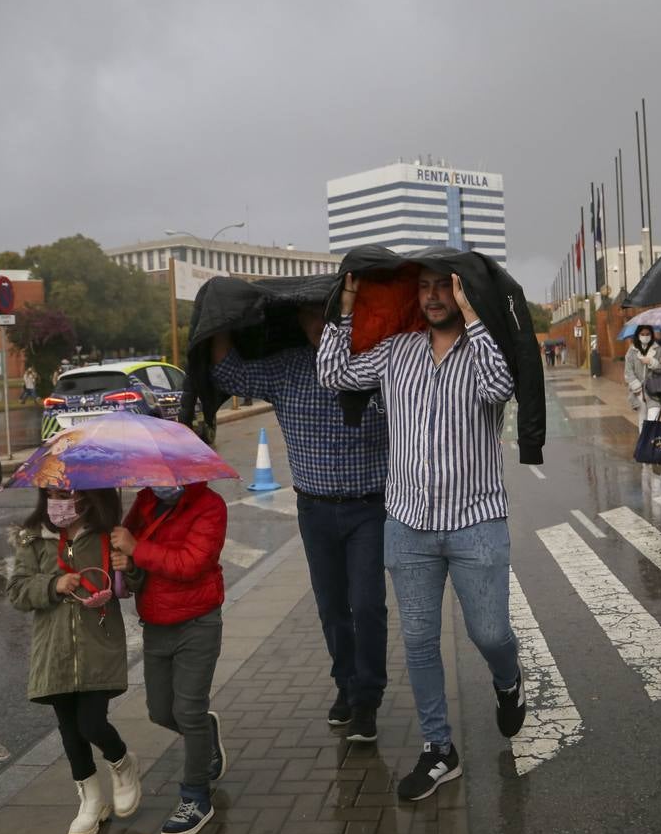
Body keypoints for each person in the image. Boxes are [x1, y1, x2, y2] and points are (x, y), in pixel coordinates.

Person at [318, 267, 526, 802]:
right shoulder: (396, 352)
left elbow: (502, 387)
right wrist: (345, 307)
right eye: (427, 287)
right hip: (408, 524)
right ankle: (439, 749)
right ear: (416, 295)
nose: (435, 296)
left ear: (460, 292)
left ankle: (507, 679)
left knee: (490, 635)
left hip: (476, 519)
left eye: (446, 286)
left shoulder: (482, 351)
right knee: (418, 642)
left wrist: (473, 311)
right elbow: (334, 374)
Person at [209, 304, 389, 743]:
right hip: (315, 510)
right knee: (332, 607)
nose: (319, 326)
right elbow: (228, 372)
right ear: (298, 323)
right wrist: (223, 313)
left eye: (328, 317)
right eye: (311, 318)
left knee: (366, 605)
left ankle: (368, 698)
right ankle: (346, 686)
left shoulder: (375, 363)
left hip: (370, 507)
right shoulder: (286, 368)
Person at [6, 486, 140, 834]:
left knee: (92, 724)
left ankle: (123, 763)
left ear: (88, 494)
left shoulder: (107, 534)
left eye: (68, 492)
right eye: (53, 492)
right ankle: (91, 800)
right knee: (69, 731)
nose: (60, 500)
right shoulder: (34, 537)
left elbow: (133, 584)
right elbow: (17, 590)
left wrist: (131, 563)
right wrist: (53, 584)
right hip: (55, 652)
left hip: (98, 645)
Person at [109, 480, 227, 834]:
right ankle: (206, 736)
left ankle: (196, 798)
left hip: (197, 621)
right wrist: (123, 558)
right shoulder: (146, 500)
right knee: (161, 711)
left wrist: (136, 549)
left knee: (188, 711)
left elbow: (190, 563)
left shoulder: (210, 505)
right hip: (156, 623)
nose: (162, 481)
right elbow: (125, 545)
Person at [623, 325, 661, 432]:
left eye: (648, 334)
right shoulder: (632, 351)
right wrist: (636, 387)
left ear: (651, 335)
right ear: (638, 335)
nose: (645, 336)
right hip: (639, 391)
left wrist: (651, 362)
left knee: (653, 419)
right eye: (642, 334)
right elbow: (628, 371)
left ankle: (650, 443)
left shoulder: (658, 349)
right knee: (642, 419)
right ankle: (644, 446)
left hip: (654, 390)